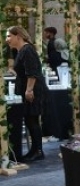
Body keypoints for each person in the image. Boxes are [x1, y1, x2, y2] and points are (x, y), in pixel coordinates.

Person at [6, 26, 49, 162]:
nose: (7, 39)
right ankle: (35, 150)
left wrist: (29, 90)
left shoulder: (27, 49)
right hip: (27, 88)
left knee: (32, 119)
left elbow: (32, 72)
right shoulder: (20, 50)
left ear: (18, 35)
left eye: (9, 36)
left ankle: (38, 150)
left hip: (33, 89)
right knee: (30, 119)